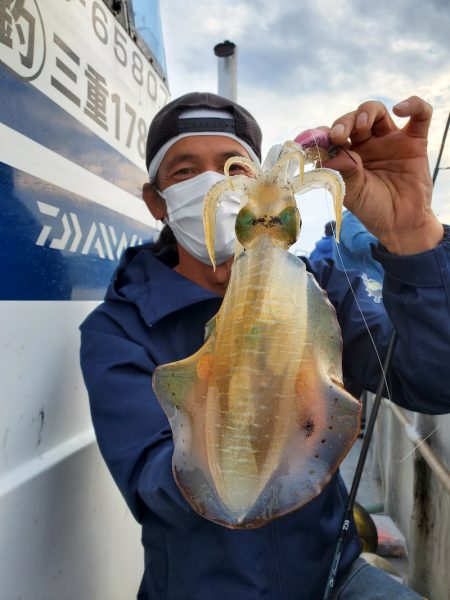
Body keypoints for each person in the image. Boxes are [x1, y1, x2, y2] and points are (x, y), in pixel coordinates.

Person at [80, 92, 450, 599]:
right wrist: (246, 367)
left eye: (232, 167)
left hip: (332, 578)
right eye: (185, 170)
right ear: (156, 201)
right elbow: (153, 486)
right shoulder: (118, 327)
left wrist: (412, 234)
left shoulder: (317, 286)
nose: (214, 182)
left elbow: (434, 381)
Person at [334, 210, 385, 303]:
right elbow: (358, 244)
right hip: (362, 289)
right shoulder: (351, 218)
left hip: (369, 288)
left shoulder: (357, 218)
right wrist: (389, 238)